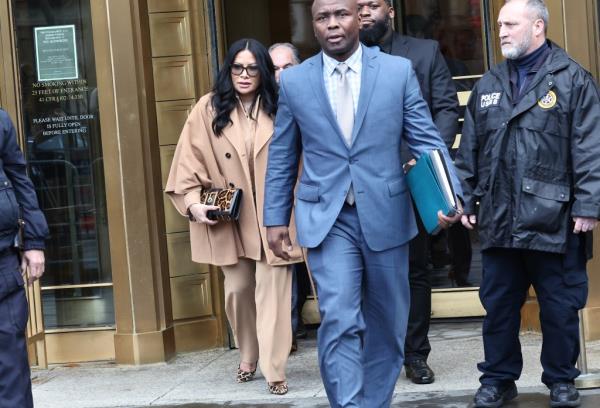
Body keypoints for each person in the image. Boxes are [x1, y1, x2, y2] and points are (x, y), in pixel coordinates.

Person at [263, 0, 463, 406]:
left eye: (341, 15)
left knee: (387, 325)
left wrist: (450, 193)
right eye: (323, 17)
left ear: (359, 18)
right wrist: (274, 218)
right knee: (339, 318)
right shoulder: (297, 81)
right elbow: (283, 153)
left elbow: (425, 137)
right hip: (327, 217)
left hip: (387, 213)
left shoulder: (395, 72)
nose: (333, 24)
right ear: (313, 26)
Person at [455, 1, 600, 407]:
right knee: (499, 307)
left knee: (559, 307)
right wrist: (466, 196)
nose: (500, 30)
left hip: (555, 219)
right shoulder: (489, 83)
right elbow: (470, 150)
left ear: (537, 26)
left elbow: (590, 148)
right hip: (499, 218)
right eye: (499, 23)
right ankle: (498, 380)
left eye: (509, 24)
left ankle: (560, 379)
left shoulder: (572, 79)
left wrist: (588, 205)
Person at [165, 38, 303, 396]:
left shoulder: (281, 105)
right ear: (228, 70)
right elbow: (187, 164)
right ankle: (248, 353)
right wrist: (194, 204)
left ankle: (275, 369)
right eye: (237, 68)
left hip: (276, 216)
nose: (244, 75)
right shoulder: (207, 109)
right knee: (240, 290)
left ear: (264, 72)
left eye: (253, 68)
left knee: (275, 291)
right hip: (232, 216)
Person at [358, 0, 462, 385]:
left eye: (371, 4)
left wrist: (428, 161)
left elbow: (447, 109)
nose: (364, 12)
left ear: (390, 9)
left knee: (416, 271)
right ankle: (377, 352)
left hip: (413, 180)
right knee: (370, 273)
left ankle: (415, 355)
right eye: (358, 6)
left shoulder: (424, 52)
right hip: (366, 187)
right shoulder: (343, 61)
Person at [0, 109, 49, 408]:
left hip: (3, 257)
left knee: (11, 366)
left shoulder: (0, 121)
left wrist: (33, 241)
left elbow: (19, 178)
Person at [268, 42, 310, 353]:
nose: (280, 75)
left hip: (312, 193)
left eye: (287, 67)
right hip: (280, 198)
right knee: (285, 262)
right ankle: (289, 330)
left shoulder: (311, 95)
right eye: (274, 69)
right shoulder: (260, 105)